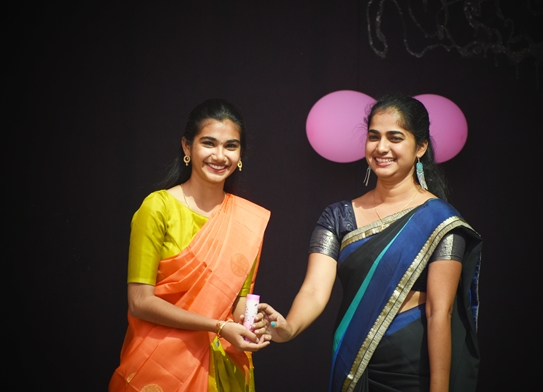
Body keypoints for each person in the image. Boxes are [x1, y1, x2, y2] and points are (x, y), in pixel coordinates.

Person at [260, 94, 482, 392]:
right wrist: (288, 328)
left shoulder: (440, 221)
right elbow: (314, 291)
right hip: (354, 364)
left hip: (412, 371)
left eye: (395, 138)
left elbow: (439, 313)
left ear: (420, 147)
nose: (381, 147)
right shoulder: (338, 217)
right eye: (374, 137)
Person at [109, 98, 271, 392]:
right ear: (187, 147)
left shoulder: (247, 219)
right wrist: (217, 326)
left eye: (231, 146)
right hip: (160, 365)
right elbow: (140, 302)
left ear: (240, 154)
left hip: (223, 372)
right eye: (209, 143)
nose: (219, 155)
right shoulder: (158, 208)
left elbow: (236, 306)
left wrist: (254, 325)